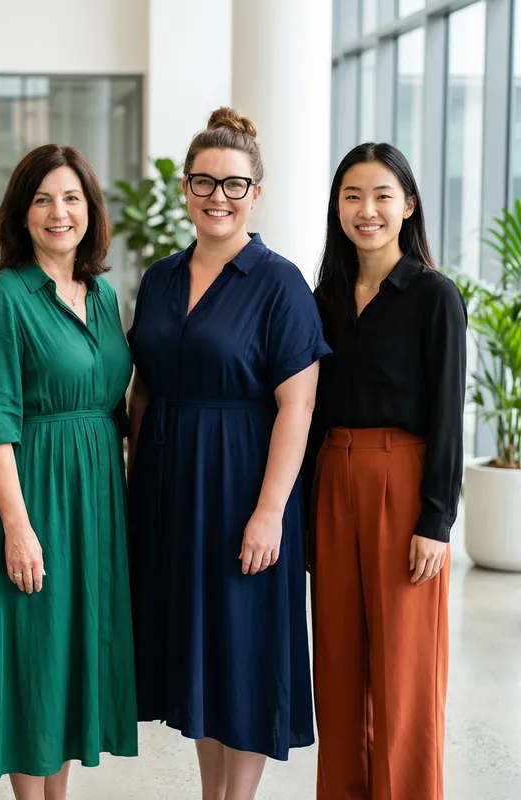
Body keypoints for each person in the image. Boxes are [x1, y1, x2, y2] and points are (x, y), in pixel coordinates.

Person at [126, 107, 328, 800]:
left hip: (243, 486)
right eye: (204, 183)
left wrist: (270, 513)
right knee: (200, 658)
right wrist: (135, 486)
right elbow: (142, 388)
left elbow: (298, 406)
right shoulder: (160, 278)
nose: (218, 197)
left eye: (234, 185)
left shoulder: (279, 283)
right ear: (185, 189)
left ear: (256, 193)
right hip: (169, 488)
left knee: (242, 652)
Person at [0, 144, 137, 799]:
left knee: (68, 657)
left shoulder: (103, 295)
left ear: (90, 210)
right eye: (42, 199)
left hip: (96, 500)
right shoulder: (3, 298)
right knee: (33, 656)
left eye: (71, 198)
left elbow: (117, 408)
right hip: (33, 496)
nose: (59, 212)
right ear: (20, 213)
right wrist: (17, 527)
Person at [306, 142, 467, 800]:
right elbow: (309, 412)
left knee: (404, 672)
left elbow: (450, 412)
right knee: (338, 667)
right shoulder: (324, 299)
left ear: (408, 205)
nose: (366, 210)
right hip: (332, 482)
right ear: (337, 208)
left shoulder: (434, 296)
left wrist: (437, 519)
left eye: (381, 195)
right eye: (352, 196)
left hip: (403, 485)